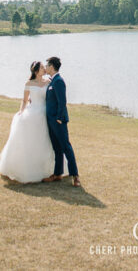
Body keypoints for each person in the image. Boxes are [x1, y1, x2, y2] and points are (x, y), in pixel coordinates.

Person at [0, 61, 65, 183]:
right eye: (42, 68)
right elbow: (24, 100)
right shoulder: (29, 83)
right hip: (33, 112)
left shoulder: (49, 82)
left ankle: (53, 169)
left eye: (45, 67)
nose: (44, 69)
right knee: (32, 140)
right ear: (35, 71)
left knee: (47, 140)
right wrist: (21, 111)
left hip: (46, 113)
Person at [42, 56, 80, 187]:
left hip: (58, 121)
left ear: (52, 66)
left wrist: (59, 118)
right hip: (50, 121)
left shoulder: (58, 81)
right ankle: (57, 174)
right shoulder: (52, 81)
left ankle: (75, 176)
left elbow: (62, 102)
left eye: (47, 66)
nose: (45, 68)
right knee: (57, 148)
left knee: (66, 147)